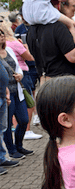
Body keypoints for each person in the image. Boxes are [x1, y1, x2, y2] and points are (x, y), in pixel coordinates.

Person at [0, 22, 33, 160]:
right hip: (6, 93)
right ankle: (12, 150)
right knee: (7, 124)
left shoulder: (9, 50)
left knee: (24, 120)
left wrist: (20, 75)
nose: (1, 36)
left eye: (2, 34)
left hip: (17, 90)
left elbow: (17, 65)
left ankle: (19, 145)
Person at [4, 22, 42, 141]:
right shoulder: (14, 43)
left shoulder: (7, 45)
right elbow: (30, 57)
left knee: (15, 105)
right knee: (28, 101)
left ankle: (19, 133)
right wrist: (25, 47)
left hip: (14, 77)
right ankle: (27, 130)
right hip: (21, 75)